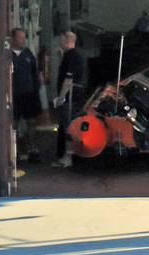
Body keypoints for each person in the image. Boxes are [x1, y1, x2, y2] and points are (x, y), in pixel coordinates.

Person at [52, 31, 87, 168]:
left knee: (68, 127)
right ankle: (66, 155)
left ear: (67, 40)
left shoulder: (72, 57)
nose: (59, 42)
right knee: (65, 125)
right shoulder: (70, 55)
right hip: (73, 96)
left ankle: (68, 157)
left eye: (61, 39)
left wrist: (61, 97)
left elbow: (68, 79)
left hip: (70, 97)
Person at [10, 28, 42, 164]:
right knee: (13, 124)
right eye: (20, 38)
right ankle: (13, 152)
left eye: (24, 38)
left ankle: (33, 150)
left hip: (29, 96)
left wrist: (36, 90)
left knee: (31, 123)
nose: (23, 40)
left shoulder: (28, 54)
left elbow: (35, 74)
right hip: (14, 97)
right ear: (13, 39)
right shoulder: (7, 55)